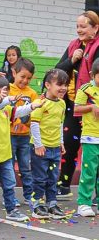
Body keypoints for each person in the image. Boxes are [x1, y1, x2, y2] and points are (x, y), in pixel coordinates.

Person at [0, 75, 44, 222]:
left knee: (9, 184)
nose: (5, 96)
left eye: (6, 92)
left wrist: (33, 106)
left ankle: (11, 210)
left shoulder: (7, 109)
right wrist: (4, 99)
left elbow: (19, 111)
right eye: (1, 93)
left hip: (5, 154)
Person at [56, 11, 99, 200]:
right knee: (69, 142)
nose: (79, 30)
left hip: (94, 105)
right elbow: (57, 70)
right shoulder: (74, 45)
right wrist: (72, 59)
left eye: (83, 26)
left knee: (94, 151)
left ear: (95, 28)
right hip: (73, 103)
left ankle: (95, 195)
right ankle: (64, 185)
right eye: (77, 26)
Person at [30, 69, 69, 219]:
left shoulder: (62, 104)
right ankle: (37, 205)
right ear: (47, 85)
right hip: (41, 148)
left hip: (54, 148)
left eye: (65, 84)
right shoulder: (41, 103)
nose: (63, 88)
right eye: (59, 84)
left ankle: (52, 204)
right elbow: (34, 123)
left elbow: (60, 123)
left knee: (53, 178)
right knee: (40, 178)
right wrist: (39, 145)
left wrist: (61, 142)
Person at [9, 58, 38, 206]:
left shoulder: (32, 94)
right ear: (14, 73)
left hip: (25, 137)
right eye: (22, 77)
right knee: (9, 167)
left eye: (29, 78)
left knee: (26, 167)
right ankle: (11, 196)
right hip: (9, 136)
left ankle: (28, 195)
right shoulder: (7, 89)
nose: (25, 80)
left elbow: (34, 115)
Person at [74, 58, 99, 217]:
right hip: (91, 137)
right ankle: (84, 203)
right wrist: (91, 107)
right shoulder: (86, 89)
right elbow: (76, 108)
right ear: (93, 74)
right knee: (89, 171)